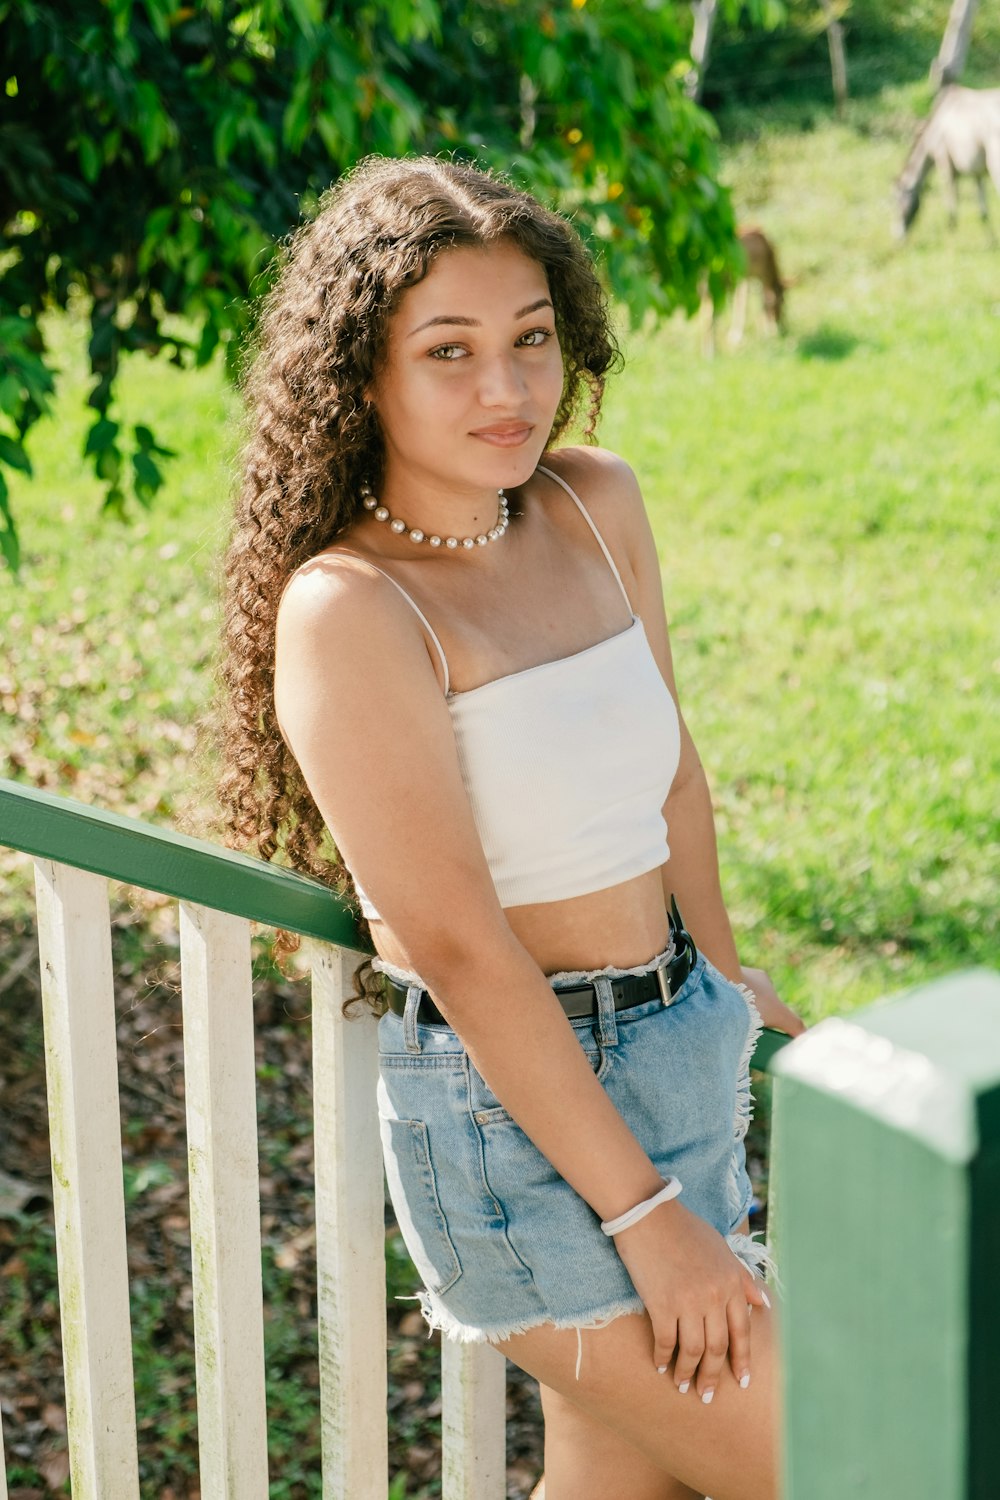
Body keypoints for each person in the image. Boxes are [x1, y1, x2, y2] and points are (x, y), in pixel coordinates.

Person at [220, 154, 804, 1500]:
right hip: (515, 1128)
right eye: (451, 352)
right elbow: (456, 941)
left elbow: (672, 783)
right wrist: (648, 1219)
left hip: (675, 1055)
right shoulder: (352, 609)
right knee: (855, 1461)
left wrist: (718, 979)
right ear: (358, 377)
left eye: (532, 340)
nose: (508, 389)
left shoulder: (595, 503)